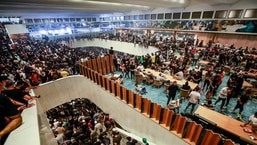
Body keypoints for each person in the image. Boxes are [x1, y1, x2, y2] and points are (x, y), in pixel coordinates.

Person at [0, 75, 23, 144]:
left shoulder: (4, 95)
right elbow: (18, 119)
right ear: (2, 83)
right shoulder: (3, 98)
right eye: (4, 81)